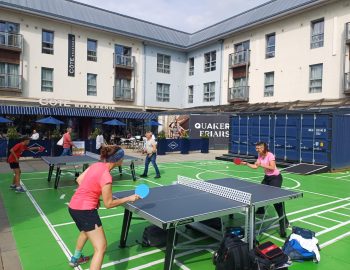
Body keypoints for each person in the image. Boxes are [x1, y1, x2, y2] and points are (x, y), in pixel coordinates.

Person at [68, 145, 140, 269]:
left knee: (86, 232)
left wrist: (94, 197)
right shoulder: (107, 176)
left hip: (73, 206)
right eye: (122, 157)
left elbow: (79, 180)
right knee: (100, 248)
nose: (123, 159)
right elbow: (108, 204)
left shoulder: (95, 165)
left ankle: (75, 258)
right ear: (117, 160)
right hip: (85, 211)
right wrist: (129, 198)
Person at [239, 141, 289, 237]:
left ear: (263, 148)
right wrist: (246, 164)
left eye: (258, 148)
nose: (257, 149)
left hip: (276, 178)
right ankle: (261, 210)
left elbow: (272, 167)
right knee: (260, 193)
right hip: (267, 178)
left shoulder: (270, 155)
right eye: (256, 148)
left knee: (276, 201)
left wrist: (261, 164)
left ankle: (284, 223)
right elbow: (255, 167)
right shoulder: (260, 155)